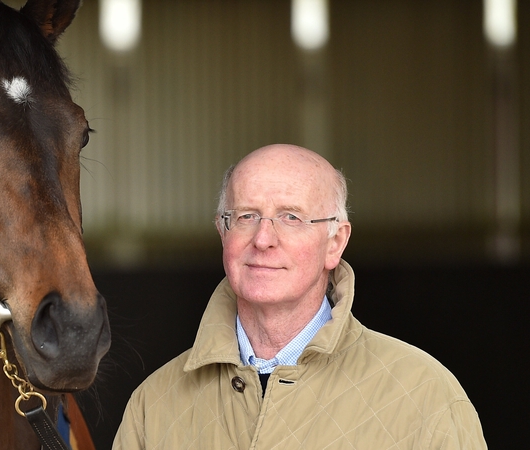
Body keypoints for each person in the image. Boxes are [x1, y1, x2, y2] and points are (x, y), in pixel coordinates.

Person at [112, 144, 486, 449]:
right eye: (245, 216)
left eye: (291, 217)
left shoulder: (426, 396)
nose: (263, 239)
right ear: (222, 232)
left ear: (335, 242)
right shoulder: (153, 406)